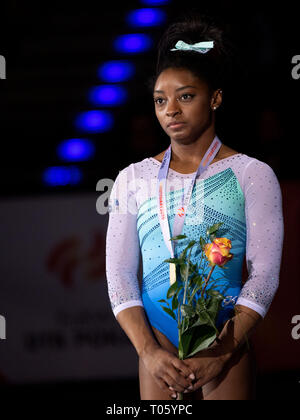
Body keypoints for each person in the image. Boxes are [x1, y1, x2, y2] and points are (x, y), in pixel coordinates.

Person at [105, 12, 284, 400]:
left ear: (215, 98)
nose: (171, 109)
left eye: (185, 96)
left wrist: (221, 353)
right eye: (160, 100)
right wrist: (148, 352)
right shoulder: (132, 179)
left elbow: (265, 273)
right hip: (158, 349)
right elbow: (119, 278)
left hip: (225, 342)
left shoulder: (252, 174)